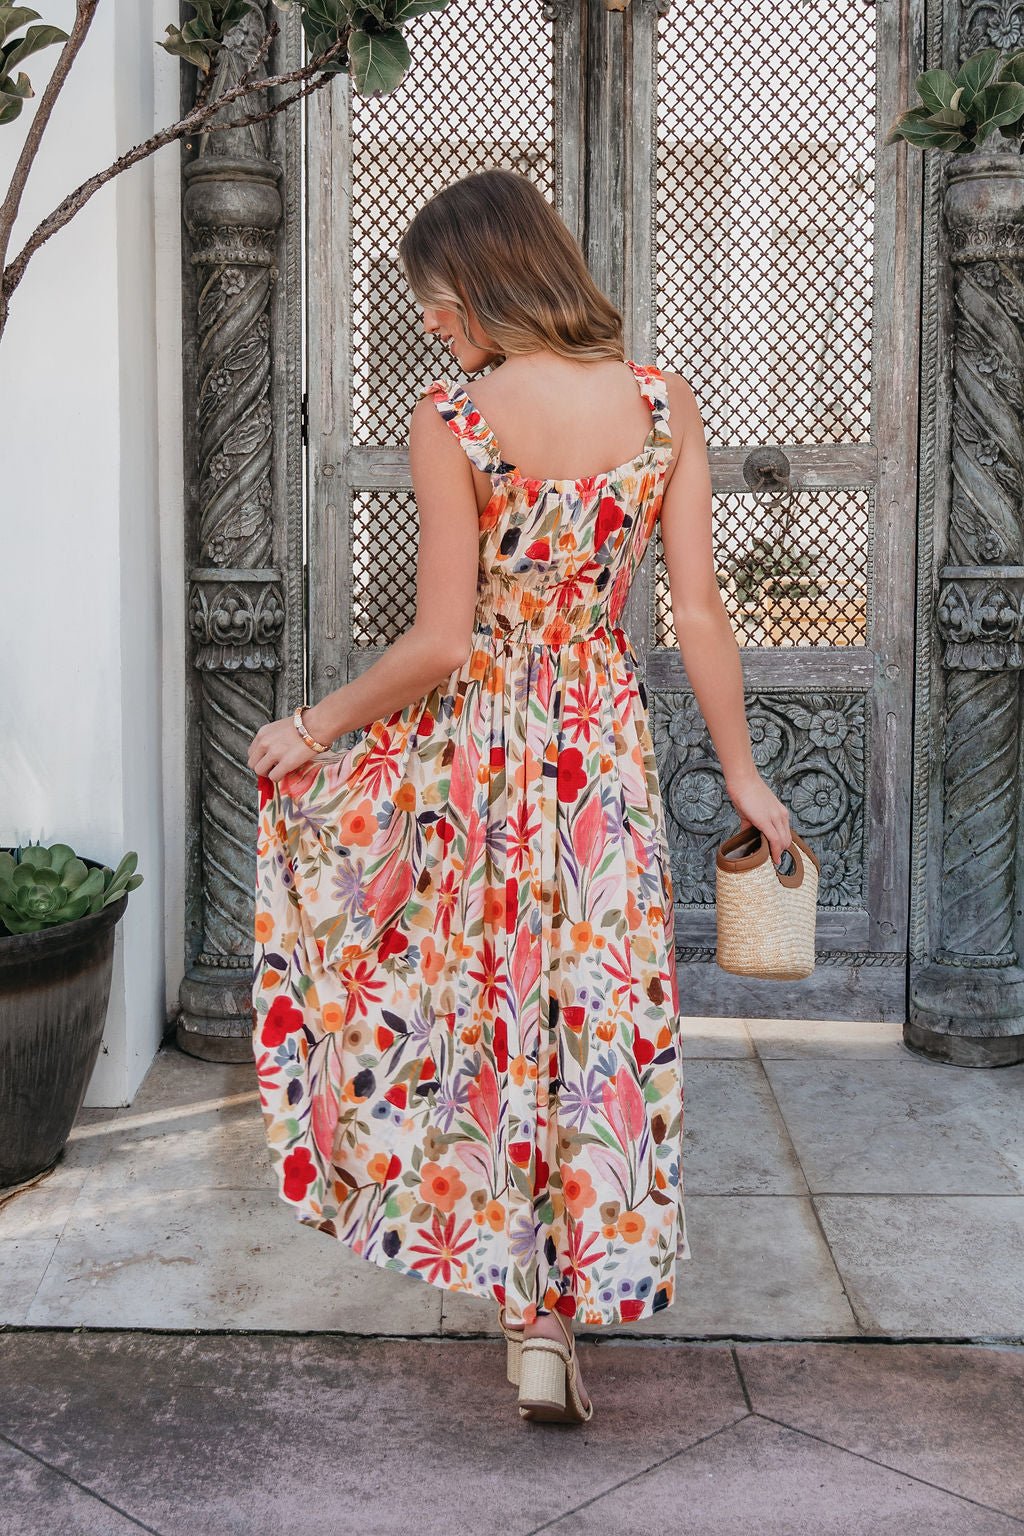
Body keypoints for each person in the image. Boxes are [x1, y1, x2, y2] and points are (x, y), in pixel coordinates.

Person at [248, 167, 791, 1424]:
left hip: (481, 750)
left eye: (438, 302)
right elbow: (695, 610)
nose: (433, 324)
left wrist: (314, 723)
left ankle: (524, 1314)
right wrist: (743, 774)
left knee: (488, 1010)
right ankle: (554, 1310)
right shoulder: (662, 403)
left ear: (487, 281)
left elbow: (441, 641)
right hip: (601, 745)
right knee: (588, 1007)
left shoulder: (455, 415)